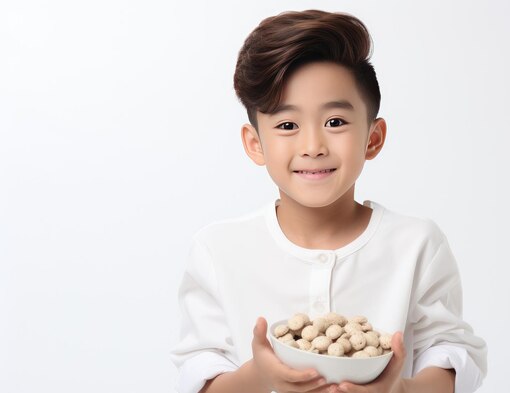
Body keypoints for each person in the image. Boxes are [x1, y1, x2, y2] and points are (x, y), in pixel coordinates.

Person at [170, 9, 487, 393]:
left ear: (373, 138)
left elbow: (453, 357)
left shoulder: (417, 244)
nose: (313, 146)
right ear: (256, 145)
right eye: (287, 125)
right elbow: (198, 376)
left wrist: (399, 391)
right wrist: (259, 375)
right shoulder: (218, 251)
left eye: (335, 122)